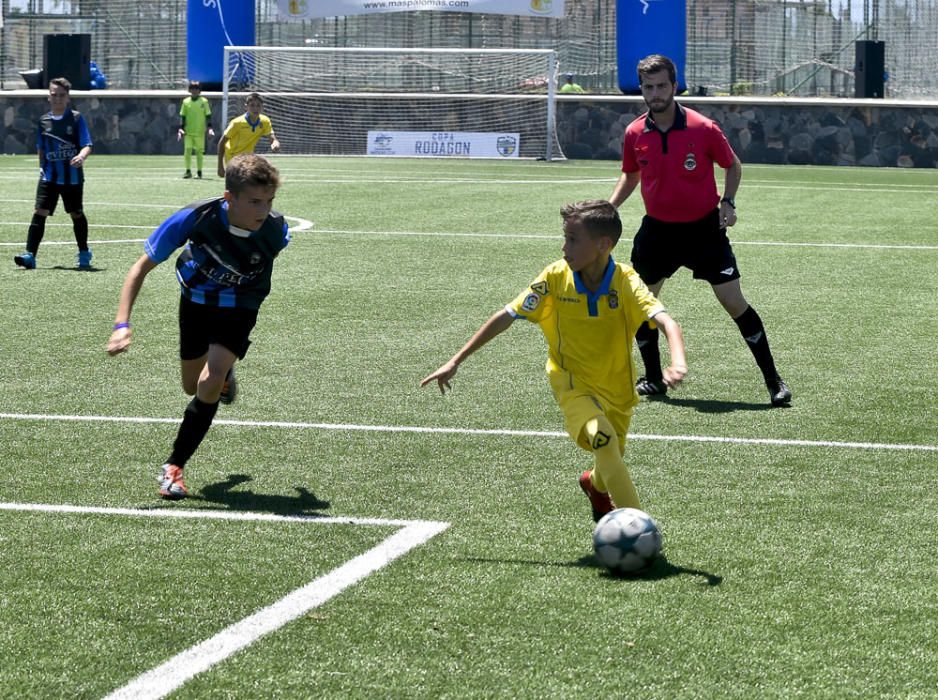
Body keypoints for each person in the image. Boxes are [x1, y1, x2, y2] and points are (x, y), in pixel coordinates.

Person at [422, 200, 687, 522]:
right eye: (565, 238)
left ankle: (593, 484)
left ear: (604, 244)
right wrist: (456, 360)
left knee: (610, 459)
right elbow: (508, 314)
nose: (564, 248)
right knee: (602, 440)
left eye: (573, 239)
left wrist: (677, 362)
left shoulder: (625, 280)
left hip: (617, 389)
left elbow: (667, 322)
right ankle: (640, 526)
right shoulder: (555, 277)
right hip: (572, 384)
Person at [609, 54, 791, 407]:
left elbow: (732, 166)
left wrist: (729, 202)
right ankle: (652, 377)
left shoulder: (702, 128)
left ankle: (774, 381)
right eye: (649, 87)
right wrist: (610, 207)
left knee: (734, 303)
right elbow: (631, 175)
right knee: (642, 306)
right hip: (657, 233)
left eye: (662, 85)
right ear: (642, 90)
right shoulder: (634, 133)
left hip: (704, 232)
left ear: (675, 86)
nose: (656, 92)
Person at [106, 154, 290, 500]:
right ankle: (223, 377)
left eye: (268, 201)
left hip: (241, 305)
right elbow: (139, 269)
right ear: (228, 197)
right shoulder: (195, 218)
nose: (263, 210)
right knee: (191, 385)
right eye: (254, 201)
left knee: (209, 381)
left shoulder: (276, 230)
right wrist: (122, 324)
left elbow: (262, 261)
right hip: (196, 301)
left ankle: (174, 467)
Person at [14, 77, 94, 270]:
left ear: (67, 97)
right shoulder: (43, 121)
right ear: (48, 97)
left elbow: (87, 144)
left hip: (72, 178)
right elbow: (41, 148)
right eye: (54, 95)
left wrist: (81, 157)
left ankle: (84, 252)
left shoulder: (75, 119)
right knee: (39, 211)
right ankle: (30, 255)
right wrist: (41, 166)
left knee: (76, 213)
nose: (57, 98)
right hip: (48, 176)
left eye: (61, 95)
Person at [216, 93, 280, 178]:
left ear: (262, 107)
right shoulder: (237, 123)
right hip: (233, 157)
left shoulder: (265, 121)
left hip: (248, 157)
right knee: (239, 184)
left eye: (258, 105)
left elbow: (273, 139)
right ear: (246, 107)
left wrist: (275, 144)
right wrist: (220, 166)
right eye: (252, 105)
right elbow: (222, 142)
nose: (255, 108)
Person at [178, 80, 215, 179]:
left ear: (200, 91)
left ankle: (199, 172)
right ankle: (188, 171)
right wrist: (181, 129)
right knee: (187, 151)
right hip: (188, 132)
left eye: (196, 89)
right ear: (189, 90)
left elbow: (208, 115)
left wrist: (210, 128)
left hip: (199, 132)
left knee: (199, 152)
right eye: (192, 89)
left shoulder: (204, 101)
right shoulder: (186, 102)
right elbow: (183, 116)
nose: (194, 91)